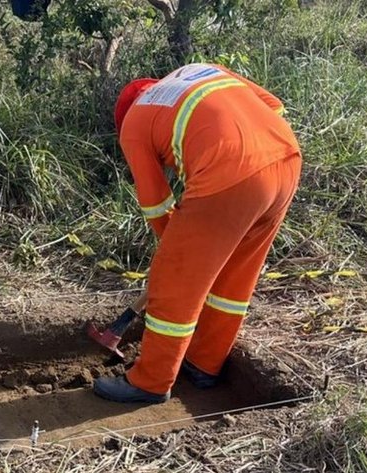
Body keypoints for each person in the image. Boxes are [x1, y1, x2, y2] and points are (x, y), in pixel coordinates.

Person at [95, 63, 301, 404]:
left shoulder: (134, 123)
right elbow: (275, 106)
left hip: (230, 171)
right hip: (286, 160)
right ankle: (204, 364)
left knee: (173, 281)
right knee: (234, 277)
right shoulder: (198, 71)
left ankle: (150, 381)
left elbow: (157, 204)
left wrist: (178, 256)